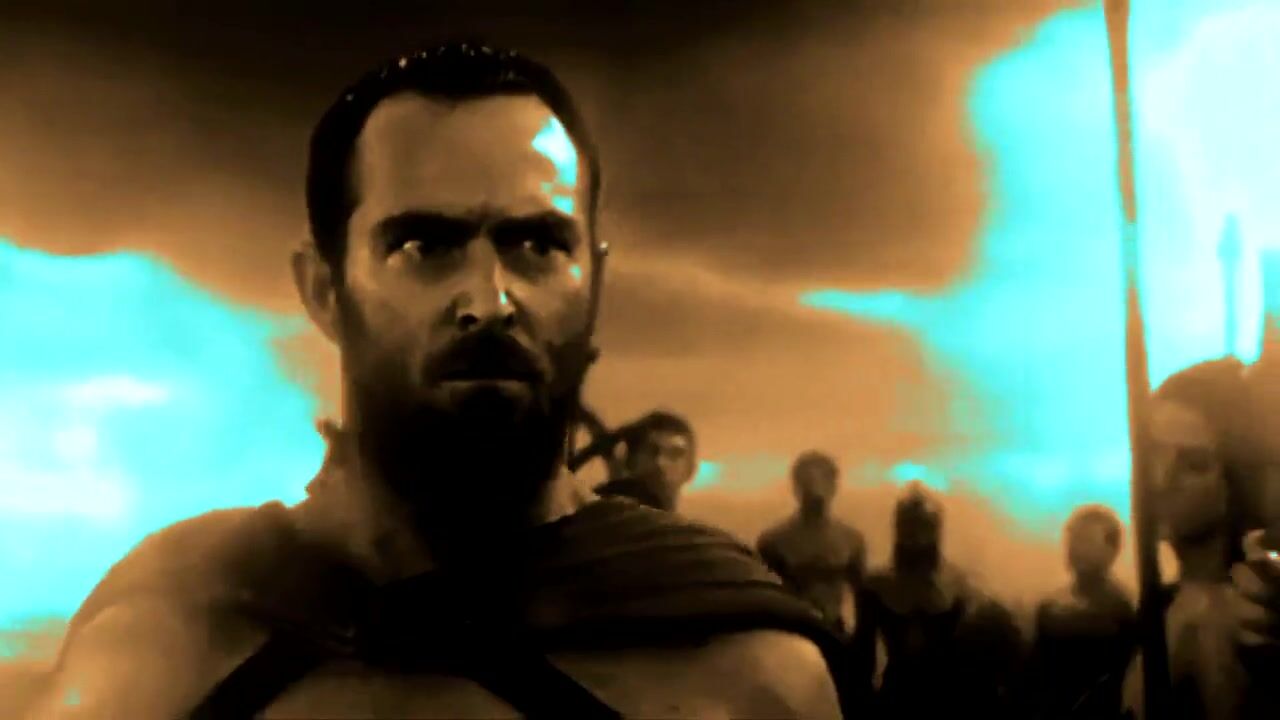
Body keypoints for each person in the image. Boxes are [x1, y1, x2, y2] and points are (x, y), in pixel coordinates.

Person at [25, 43, 847, 719]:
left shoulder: (744, 675)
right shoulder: (174, 635)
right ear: (324, 289)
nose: (489, 301)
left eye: (537, 245)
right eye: (424, 245)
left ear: (593, 278)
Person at [1123, 357, 1277, 719]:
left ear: (1236, 479)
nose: (1161, 479)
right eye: (1153, 454)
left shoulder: (1217, 621)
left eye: (1193, 464)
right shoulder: (1174, 601)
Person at [858, 482, 1024, 719]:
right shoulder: (876, 586)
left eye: (923, 526)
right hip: (897, 696)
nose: (916, 536)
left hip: (948, 697)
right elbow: (862, 658)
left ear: (936, 528)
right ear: (898, 528)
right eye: (909, 526)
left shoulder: (959, 584)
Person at [1026, 504, 1136, 719]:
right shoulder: (1050, 608)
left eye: (1086, 541)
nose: (1075, 549)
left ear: (1112, 550)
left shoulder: (1121, 611)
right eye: (1072, 540)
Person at [757, 451, 866, 638]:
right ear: (796, 487)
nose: (815, 490)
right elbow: (763, 600)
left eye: (823, 481)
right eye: (807, 483)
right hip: (791, 633)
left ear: (834, 486)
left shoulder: (851, 540)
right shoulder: (774, 542)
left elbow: (863, 599)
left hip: (833, 632)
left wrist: (860, 641)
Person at [593, 410, 698, 511]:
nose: (660, 463)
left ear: (691, 469)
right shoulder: (597, 515)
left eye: (674, 454)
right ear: (631, 461)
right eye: (652, 451)